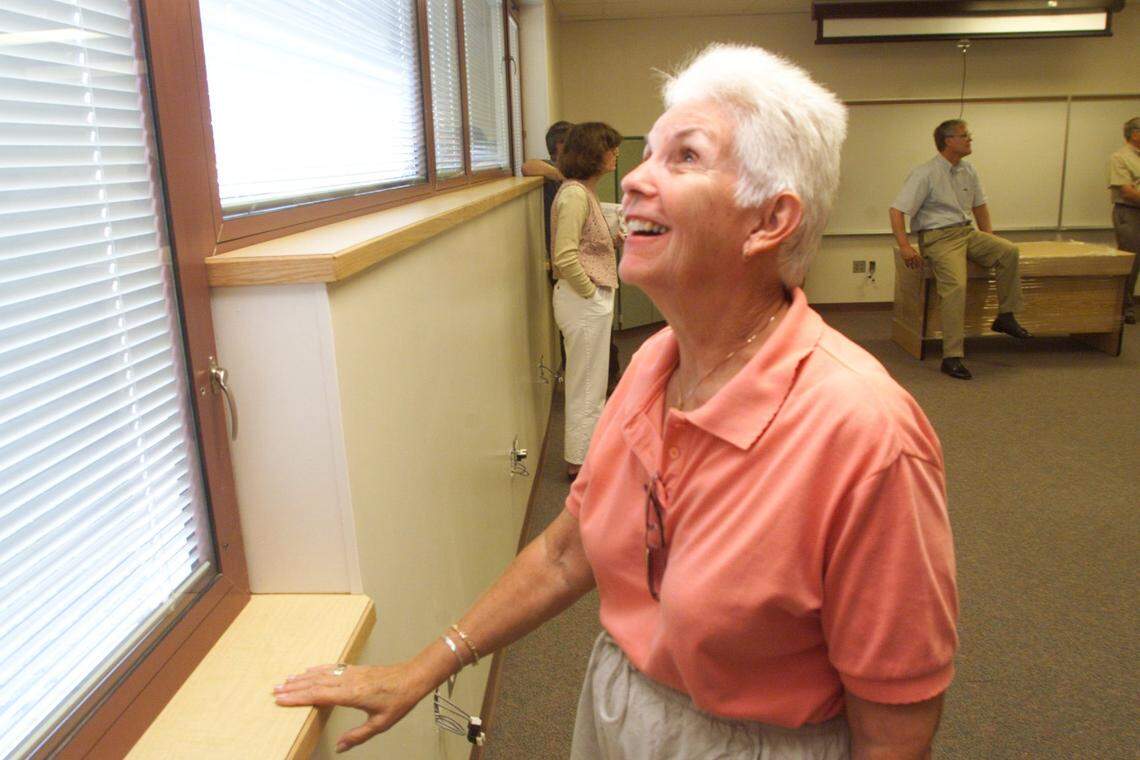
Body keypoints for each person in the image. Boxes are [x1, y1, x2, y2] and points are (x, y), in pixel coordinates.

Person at [274, 44, 958, 759]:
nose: (634, 178)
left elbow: (896, 722)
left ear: (768, 221)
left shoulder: (866, 435)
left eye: (684, 158)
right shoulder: (652, 369)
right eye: (649, 152)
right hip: (619, 707)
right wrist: (427, 666)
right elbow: (572, 549)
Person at [890, 119, 1032, 380]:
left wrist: (989, 240)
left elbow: (980, 206)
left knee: (1008, 251)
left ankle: (1006, 315)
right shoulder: (925, 173)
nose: (970, 140)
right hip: (938, 237)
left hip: (966, 232)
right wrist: (904, 246)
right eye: (964, 136)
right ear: (948, 141)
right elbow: (897, 210)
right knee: (956, 286)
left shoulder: (969, 170)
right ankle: (952, 356)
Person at [550, 122, 622, 480]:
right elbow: (565, 257)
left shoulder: (582, 193)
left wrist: (610, 239)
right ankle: (579, 464)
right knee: (585, 387)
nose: (615, 154)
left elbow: (581, 245)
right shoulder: (575, 195)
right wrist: (591, 292)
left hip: (587, 298)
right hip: (583, 299)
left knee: (591, 386)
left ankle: (586, 457)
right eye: (610, 147)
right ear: (593, 153)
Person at [522, 120, 574, 253]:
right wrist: (560, 174)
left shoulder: (574, 170)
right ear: (560, 145)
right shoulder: (551, 167)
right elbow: (527, 167)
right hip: (561, 248)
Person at [1108, 116, 1140, 324]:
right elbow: (1127, 192)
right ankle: (1125, 307)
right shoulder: (1120, 158)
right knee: (1131, 260)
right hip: (1130, 213)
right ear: (1135, 134)